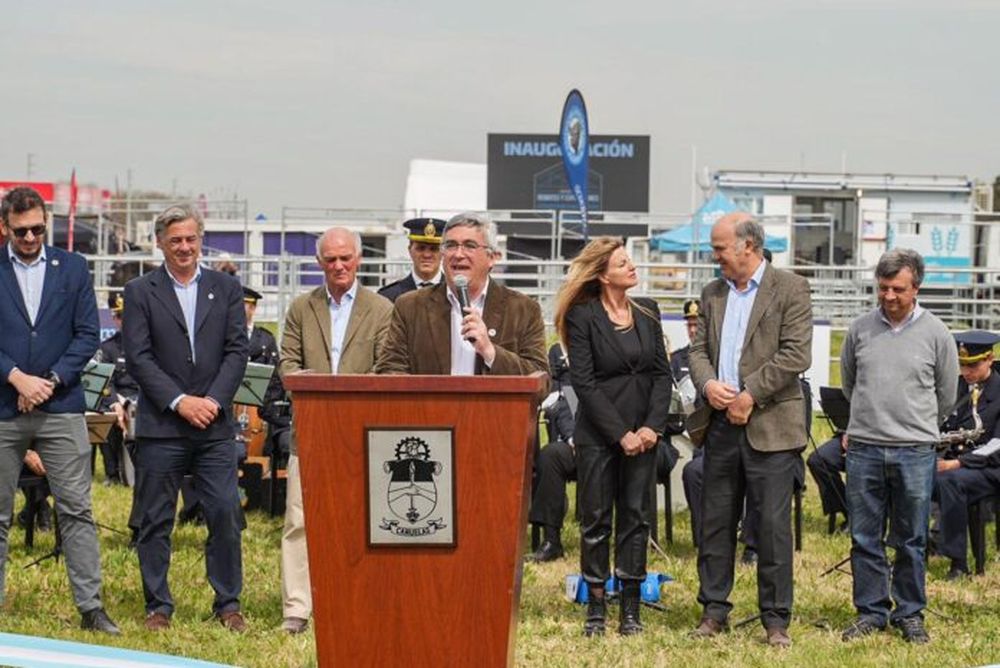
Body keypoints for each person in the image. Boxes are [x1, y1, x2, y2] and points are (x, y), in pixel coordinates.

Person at [123, 203, 250, 632]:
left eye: (190, 239)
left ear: (201, 240)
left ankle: (228, 604)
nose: (184, 247)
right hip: (163, 427)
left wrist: (212, 400)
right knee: (155, 519)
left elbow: (237, 351)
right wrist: (180, 401)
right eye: (174, 239)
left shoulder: (227, 288)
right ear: (160, 242)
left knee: (224, 513)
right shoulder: (140, 291)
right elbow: (138, 358)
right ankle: (158, 606)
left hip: (214, 427)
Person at [688, 212, 812, 648]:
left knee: (773, 526)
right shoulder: (711, 293)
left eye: (720, 248)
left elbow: (796, 355)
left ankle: (775, 620)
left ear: (748, 246)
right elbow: (697, 350)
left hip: (771, 428)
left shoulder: (790, 288)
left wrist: (749, 395)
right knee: (715, 522)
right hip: (720, 425)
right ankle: (713, 609)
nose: (715, 256)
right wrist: (708, 385)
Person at [0, 186, 119, 635]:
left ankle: (91, 608)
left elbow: (88, 334)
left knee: (76, 509)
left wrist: (48, 381)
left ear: (46, 223)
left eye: (37, 229)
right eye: (21, 231)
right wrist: (15, 377)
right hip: (3, 405)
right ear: (5, 227)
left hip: (62, 403)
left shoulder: (73, 267)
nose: (30, 238)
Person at [553, 236, 672, 637]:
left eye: (630, 261)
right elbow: (584, 383)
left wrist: (651, 427)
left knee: (636, 520)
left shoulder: (648, 311)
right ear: (603, 275)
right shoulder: (582, 316)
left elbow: (661, 374)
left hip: (645, 433)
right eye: (623, 263)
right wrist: (620, 433)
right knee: (597, 518)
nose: (632, 267)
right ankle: (598, 607)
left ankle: (632, 607)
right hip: (600, 434)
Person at [278, 227, 393, 634]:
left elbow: (387, 369)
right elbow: (288, 365)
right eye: (331, 259)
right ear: (319, 263)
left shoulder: (381, 309)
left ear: (359, 260)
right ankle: (297, 608)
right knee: (299, 520)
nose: (339, 266)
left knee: (361, 522)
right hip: (309, 432)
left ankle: (355, 599)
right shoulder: (300, 308)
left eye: (345, 258)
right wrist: (310, 387)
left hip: (364, 435)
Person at [840, 248, 958, 644]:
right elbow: (849, 383)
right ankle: (871, 611)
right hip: (864, 449)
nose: (889, 296)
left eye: (898, 289)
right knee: (864, 536)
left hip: (914, 451)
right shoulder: (859, 329)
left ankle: (910, 613)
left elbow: (946, 393)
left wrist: (918, 427)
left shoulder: (938, 333)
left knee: (911, 537)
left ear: (916, 288)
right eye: (883, 288)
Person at [376, 211, 548, 377]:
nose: (458, 254)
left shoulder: (523, 310)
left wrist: (490, 352)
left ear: (492, 258)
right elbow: (390, 369)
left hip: (492, 407)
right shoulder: (410, 306)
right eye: (450, 245)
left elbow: (541, 379)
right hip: (429, 407)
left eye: (469, 246)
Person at [678, 298, 761, 562]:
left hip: (760, 434)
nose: (693, 329)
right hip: (714, 435)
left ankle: (752, 545)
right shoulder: (693, 358)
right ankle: (708, 544)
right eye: (690, 324)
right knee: (694, 471)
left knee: (759, 470)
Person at [933, 330, 1000, 580]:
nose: (967, 371)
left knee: (951, 482)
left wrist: (958, 463)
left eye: (973, 365)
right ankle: (907, 548)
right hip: (952, 460)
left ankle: (957, 562)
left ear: (990, 359)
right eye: (962, 365)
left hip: (989, 467)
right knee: (904, 473)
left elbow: (997, 444)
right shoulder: (957, 387)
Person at [95, 292, 131, 486]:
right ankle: (112, 474)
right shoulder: (107, 348)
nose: (125, 321)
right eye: (120, 316)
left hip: (143, 400)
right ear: (116, 320)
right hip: (117, 398)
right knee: (106, 416)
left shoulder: (152, 346)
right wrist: (116, 402)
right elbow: (105, 382)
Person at [378, 217, 446, 302]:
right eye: (421, 248)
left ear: (443, 252)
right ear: (410, 250)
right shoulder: (388, 296)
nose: (427, 255)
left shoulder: (455, 293)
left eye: (434, 249)